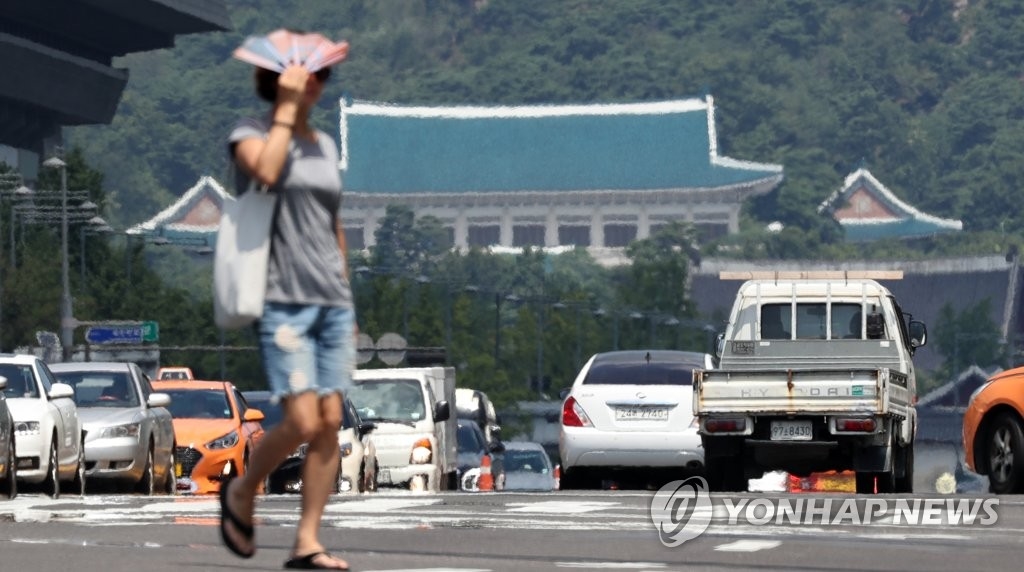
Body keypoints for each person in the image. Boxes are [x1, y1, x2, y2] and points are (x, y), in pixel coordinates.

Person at [218, 30, 356, 571]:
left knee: (327, 423)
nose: (314, 86)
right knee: (300, 420)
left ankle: (307, 542)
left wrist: (345, 286)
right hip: (280, 298)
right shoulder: (248, 134)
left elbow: (332, 221)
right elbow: (269, 171)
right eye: (303, 78)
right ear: (276, 83)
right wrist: (285, 114)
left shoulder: (325, 146)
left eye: (320, 77)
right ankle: (244, 490)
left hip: (331, 302)